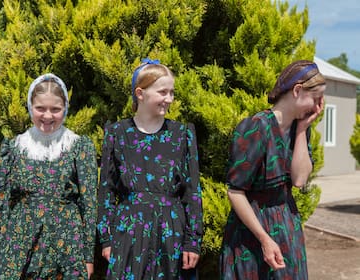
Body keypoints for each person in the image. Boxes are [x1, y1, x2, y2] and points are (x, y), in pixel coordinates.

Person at [218, 60, 326, 279]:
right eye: (316, 99)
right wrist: (265, 239)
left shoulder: (301, 128)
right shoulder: (255, 127)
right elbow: (235, 192)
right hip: (252, 232)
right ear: (297, 91)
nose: (317, 107)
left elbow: (299, 180)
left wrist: (303, 130)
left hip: (287, 224)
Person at [97, 58, 203, 279]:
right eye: (162, 92)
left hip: (171, 232)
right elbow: (106, 190)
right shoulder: (117, 133)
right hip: (129, 233)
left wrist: (192, 242)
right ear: (140, 93)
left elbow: (192, 191)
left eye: (172, 93)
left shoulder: (182, 134)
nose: (169, 99)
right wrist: (106, 238)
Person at [0, 73, 98, 279]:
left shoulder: (78, 146)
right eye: (40, 108)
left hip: (67, 242)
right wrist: (2, 255)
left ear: (65, 109)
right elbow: (1, 203)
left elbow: (89, 204)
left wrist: (87, 257)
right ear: (31, 107)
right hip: (20, 242)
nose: (47, 116)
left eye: (55, 109)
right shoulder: (14, 148)